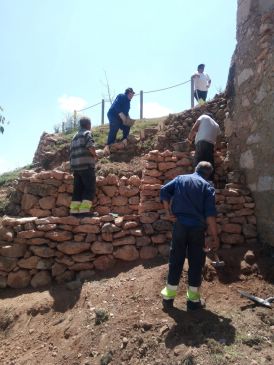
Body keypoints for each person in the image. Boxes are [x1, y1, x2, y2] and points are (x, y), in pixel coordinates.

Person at [160, 161, 219, 311]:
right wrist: (214, 236)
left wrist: (168, 212)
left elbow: (164, 191)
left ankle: (168, 298)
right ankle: (193, 302)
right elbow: (210, 215)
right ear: (209, 175)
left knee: (176, 259)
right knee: (196, 262)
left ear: (195, 169)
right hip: (197, 230)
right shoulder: (207, 187)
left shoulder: (181, 179)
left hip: (180, 226)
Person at [69, 117, 98, 217]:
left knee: (78, 189)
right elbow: (90, 146)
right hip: (86, 166)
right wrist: (95, 155)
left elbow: (71, 153)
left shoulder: (74, 137)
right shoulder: (87, 133)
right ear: (88, 125)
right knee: (89, 188)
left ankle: (74, 211)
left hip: (76, 168)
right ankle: (84, 211)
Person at [187, 112, 220, 180]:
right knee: (209, 166)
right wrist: (215, 149)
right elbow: (218, 139)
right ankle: (210, 183)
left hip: (201, 143)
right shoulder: (217, 125)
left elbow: (195, 128)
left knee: (198, 164)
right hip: (210, 146)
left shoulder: (204, 116)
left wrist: (189, 139)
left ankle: (196, 182)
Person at [104, 87, 135, 155]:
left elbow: (126, 113)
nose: (132, 95)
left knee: (127, 125)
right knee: (115, 126)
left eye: (132, 94)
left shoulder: (128, 103)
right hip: (113, 115)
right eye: (131, 94)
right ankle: (109, 144)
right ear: (127, 93)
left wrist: (128, 119)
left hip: (120, 117)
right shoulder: (121, 96)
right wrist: (121, 114)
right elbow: (116, 105)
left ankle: (124, 139)